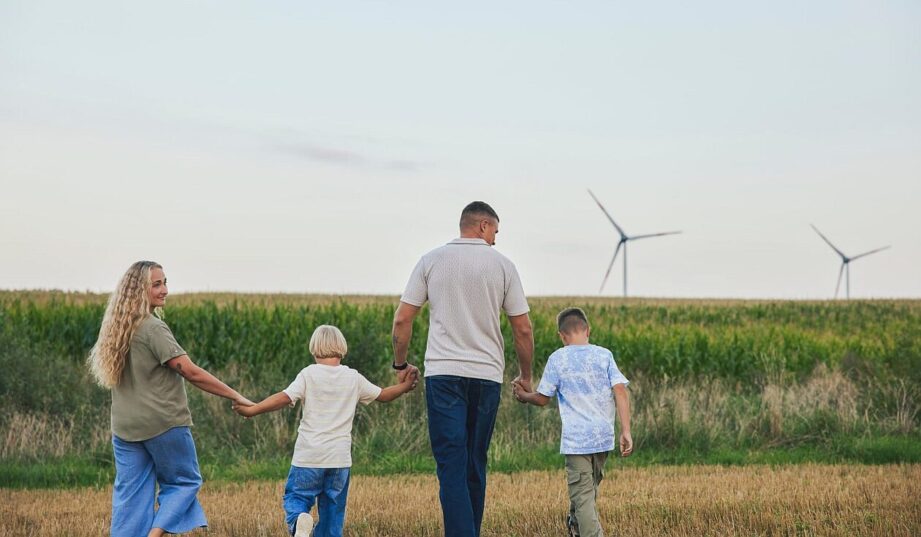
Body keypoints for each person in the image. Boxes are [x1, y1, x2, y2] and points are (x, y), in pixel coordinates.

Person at [391, 201, 535, 537]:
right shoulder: (503, 266)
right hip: (486, 377)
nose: (496, 240)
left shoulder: (430, 260)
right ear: (483, 225)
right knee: (475, 462)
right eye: (495, 232)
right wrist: (526, 375)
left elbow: (402, 319)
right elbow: (523, 329)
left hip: (442, 375)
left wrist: (400, 363)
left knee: (451, 464)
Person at [87, 260, 255, 537]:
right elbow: (190, 371)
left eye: (165, 282)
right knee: (184, 483)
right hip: (163, 424)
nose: (165, 290)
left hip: (125, 428)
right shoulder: (153, 328)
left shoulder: (117, 328)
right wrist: (235, 395)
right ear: (140, 290)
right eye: (157, 284)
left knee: (130, 497)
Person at [233, 324, 419, 537]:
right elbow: (383, 395)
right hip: (339, 460)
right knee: (332, 515)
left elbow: (284, 398)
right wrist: (405, 386)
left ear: (314, 348)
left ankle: (298, 522)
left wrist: (253, 409)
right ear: (342, 348)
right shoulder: (353, 377)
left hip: (308, 457)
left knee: (297, 499)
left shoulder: (308, 374)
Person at [512, 307, 633, 537]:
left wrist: (523, 396)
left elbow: (543, 398)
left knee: (584, 495)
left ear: (561, 335)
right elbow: (620, 390)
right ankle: (577, 526)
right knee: (588, 492)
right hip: (603, 437)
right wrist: (625, 430)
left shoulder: (558, 358)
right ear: (588, 330)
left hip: (577, 441)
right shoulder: (604, 355)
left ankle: (582, 528)